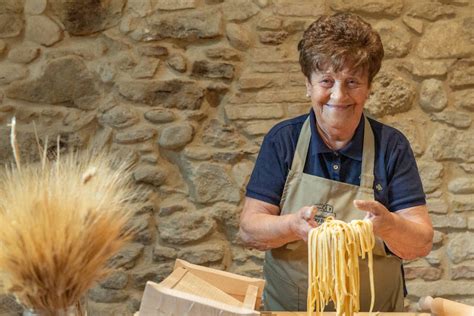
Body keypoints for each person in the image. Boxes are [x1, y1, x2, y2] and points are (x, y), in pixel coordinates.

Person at [239, 13, 434, 312]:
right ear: (308, 85)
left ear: (369, 87)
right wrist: (293, 225)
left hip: (374, 311)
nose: (339, 95)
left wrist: (389, 225)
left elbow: (420, 243)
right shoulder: (283, 141)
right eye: (326, 81)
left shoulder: (391, 147)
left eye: (352, 81)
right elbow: (250, 230)